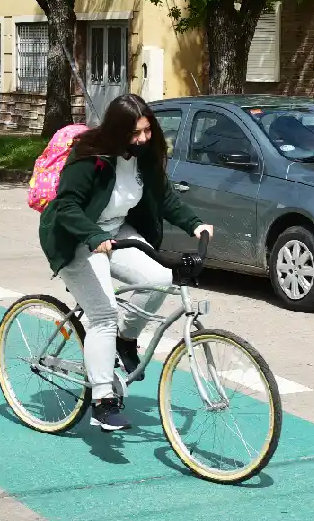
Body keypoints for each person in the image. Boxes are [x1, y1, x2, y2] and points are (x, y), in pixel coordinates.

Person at [39, 94, 213, 432]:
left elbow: (163, 197)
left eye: (148, 130)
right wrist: (92, 236)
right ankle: (103, 400)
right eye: (135, 133)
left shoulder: (144, 158)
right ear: (118, 132)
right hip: (77, 237)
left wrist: (195, 223)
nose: (144, 139)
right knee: (102, 314)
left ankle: (125, 339)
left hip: (117, 232)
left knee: (161, 278)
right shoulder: (90, 158)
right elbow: (66, 206)